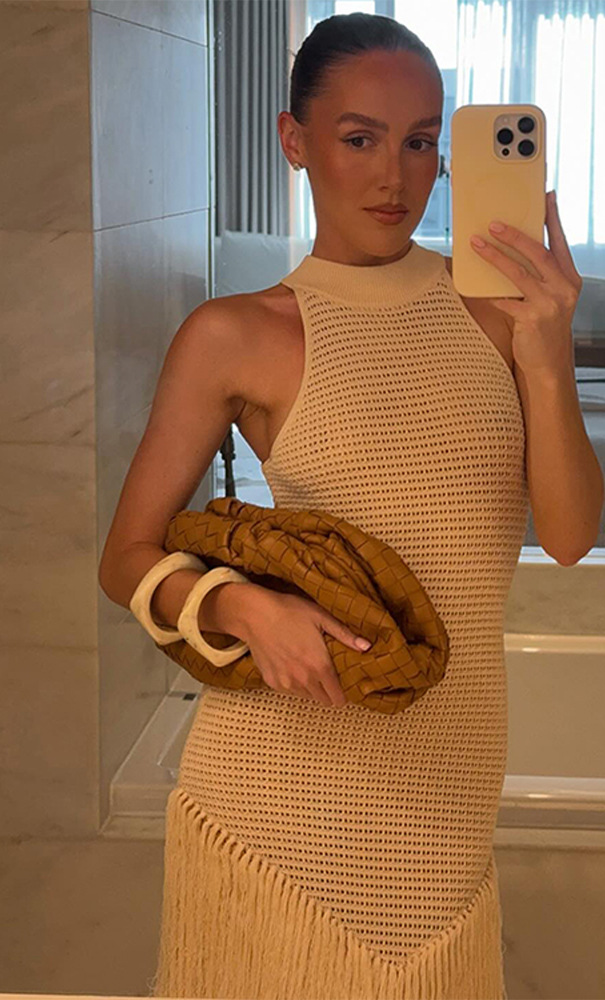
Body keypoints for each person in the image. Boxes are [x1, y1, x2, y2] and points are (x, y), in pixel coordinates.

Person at [99, 12, 528, 1000]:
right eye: (360, 138)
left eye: (421, 142)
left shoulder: (502, 315)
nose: (395, 176)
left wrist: (548, 344)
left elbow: (577, 532)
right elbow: (125, 555)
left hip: (451, 785)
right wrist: (240, 605)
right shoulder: (235, 333)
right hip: (276, 796)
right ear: (295, 141)